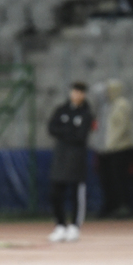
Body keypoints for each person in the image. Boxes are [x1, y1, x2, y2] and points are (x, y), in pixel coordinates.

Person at [47, 82, 94, 242]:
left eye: (80, 92)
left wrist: (64, 131)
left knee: (76, 193)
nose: (76, 95)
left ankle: (74, 226)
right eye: (74, 91)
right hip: (61, 156)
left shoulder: (87, 114)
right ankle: (60, 225)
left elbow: (80, 136)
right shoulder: (61, 110)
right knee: (56, 192)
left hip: (77, 157)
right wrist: (69, 130)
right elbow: (52, 128)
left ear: (84, 94)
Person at [98, 79, 133, 218]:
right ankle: (110, 206)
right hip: (106, 149)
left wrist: (111, 143)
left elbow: (122, 127)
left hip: (119, 148)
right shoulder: (107, 105)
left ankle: (122, 206)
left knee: (120, 179)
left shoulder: (122, 104)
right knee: (107, 179)